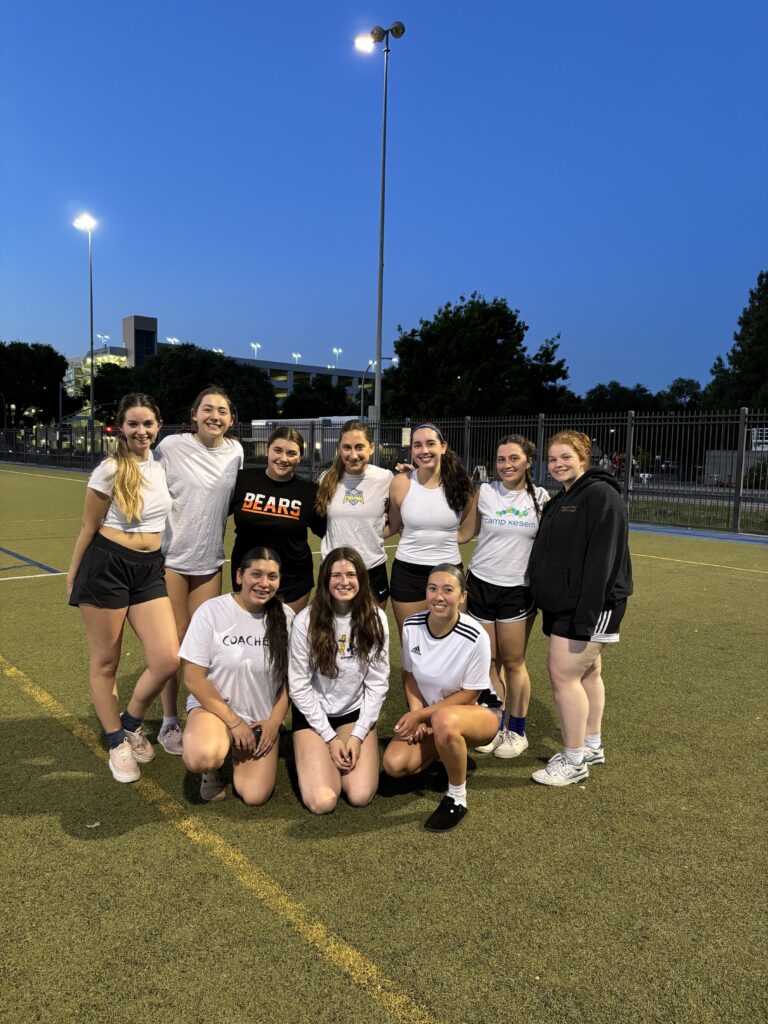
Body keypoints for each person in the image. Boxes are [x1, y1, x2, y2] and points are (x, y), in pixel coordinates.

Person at [66, 393, 179, 784]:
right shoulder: (109, 469)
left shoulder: (161, 467)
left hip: (149, 570)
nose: (141, 431)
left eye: (148, 424)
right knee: (106, 662)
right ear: (121, 427)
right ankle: (116, 741)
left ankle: (130, 721)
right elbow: (88, 528)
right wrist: (73, 575)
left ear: (158, 427)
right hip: (108, 567)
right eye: (133, 424)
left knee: (167, 658)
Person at [527, 430, 633, 787]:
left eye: (565, 458)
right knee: (587, 673)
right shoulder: (564, 497)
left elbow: (603, 563)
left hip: (590, 605)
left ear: (584, 457)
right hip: (567, 602)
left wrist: (586, 619)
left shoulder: (602, 495)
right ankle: (591, 745)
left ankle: (573, 761)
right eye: (553, 459)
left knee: (563, 676)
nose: (557, 464)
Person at [153, 386, 244, 755]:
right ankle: (168, 720)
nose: (215, 416)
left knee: (203, 643)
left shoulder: (235, 452)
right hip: (172, 558)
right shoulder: (172, 446)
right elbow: (144, 475)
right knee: (173, 643)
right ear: (194, 413)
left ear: (231, 420)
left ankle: (200, 712)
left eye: (222, 411)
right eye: (208, 409)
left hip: (209, 561)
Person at [382, 565, 497, 832]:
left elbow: (470, 695)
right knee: (394, 765)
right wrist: (417, 711)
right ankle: (450, 754)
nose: (439, 596)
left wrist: (422, 716)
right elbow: (409, 675)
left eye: (448, 590)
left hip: (478, 714)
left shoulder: (476, 636)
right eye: (433, 589)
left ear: (462, 596)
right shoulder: (412, 625)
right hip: (434, 715)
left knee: (445, 720)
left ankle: (457, 797)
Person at [458, 435, 549, 759]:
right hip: (481, 584)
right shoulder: (485, 493)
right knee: (489, 661)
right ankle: (495, 726)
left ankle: (517, 730)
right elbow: (465, 533)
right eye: (501, 459)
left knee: (514, 662)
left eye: (513, 458)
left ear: (528, 462)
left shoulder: (540, 498)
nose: (506, 465)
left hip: (517, 590)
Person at [179, 547, 292, 804]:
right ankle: (213, 768)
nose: (264, 583)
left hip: (259, 719)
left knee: (254, 795)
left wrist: (274, 722)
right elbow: (193, 677)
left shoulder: (287, 617)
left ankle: (236, 744)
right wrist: (234, 722)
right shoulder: (212, 611)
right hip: (216, 710)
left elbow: (291, 682)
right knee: (202, 755)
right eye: (257, 574)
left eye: (272, 577)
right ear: (240, 575)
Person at [289, 547, 389, 814]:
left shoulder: (376, 618)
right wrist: (330, 738)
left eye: (351, 574)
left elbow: (378, 683)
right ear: (325, 580)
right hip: (313, 717)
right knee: (323, 801)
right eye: (336, 575)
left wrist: (357, 735)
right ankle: (313, 752)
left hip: (352, 715)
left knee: (360, 794)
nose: (344, 582)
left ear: (362, 579)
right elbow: (298, 686)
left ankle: (337, 753)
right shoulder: (305, 621)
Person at [388, 423, 473, 637]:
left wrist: (440, 537)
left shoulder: (462, 486)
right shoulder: (400, 483)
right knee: (412, 647)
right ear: (411, 451)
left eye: (430, 444)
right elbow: (394, 525)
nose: (424, 450)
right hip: (407, 573)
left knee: (451, 646)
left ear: (443, 446)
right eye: (417, 445)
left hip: (449, 572)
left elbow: (465, 533)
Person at [230, 427, 326, 612]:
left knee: (285, 637)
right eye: (278, 450)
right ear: (268, 450)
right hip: (249, 577)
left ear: (299, 457)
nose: (283, 459)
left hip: (293, 582)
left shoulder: (309, 492)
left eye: (291, 453)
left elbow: (328, 530)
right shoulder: (243, 480)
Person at [315, 419, 393, 607]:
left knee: (372, 632)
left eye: (360, 447)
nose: (353, 454)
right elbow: (321, 522)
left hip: (372, 568)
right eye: (347, 448)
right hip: (334, 569)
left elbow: (396, 523)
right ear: (339, 448)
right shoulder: (326, 479)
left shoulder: (386, 478)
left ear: (371, 447)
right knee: (333, 632)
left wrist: (373, 534)